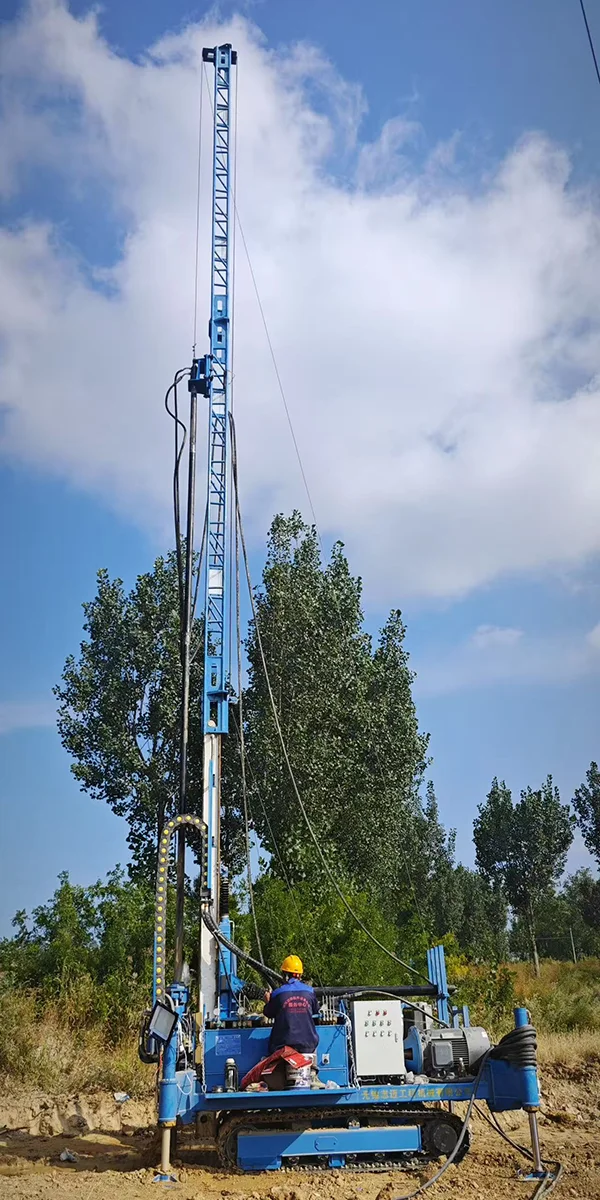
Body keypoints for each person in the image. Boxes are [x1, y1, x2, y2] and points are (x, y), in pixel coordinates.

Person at [263, 955, 319, 1056]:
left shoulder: (278, 993)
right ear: (300, 975)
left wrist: (268, 1001)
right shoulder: (310, 992)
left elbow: (268, 1013)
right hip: (308, 1046)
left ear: (285, 974)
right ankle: (313, 1069)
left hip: (282, 1047)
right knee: (312, 1063)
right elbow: (316, 1011)